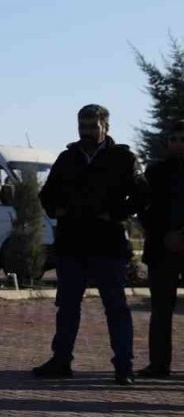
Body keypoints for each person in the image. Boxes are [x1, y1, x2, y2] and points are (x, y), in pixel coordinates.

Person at [33, 105, 142, 385]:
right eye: (82, 126)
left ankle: (123, 366)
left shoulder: (123, 158)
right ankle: (61, 360)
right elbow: (46, 194)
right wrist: (57, 211)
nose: (87, 132)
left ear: (105, 125)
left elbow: (142, 195)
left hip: (108, 244)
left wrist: (116, 214)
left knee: (115, 306)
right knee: (67, 306)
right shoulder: (68, 158)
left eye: (93, 126)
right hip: (72, 244)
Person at [138, 119, 184, 378]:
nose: (178, 144)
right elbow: (144, 209)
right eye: (174, 139)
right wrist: (164, 234)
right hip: (161, 248)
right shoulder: (155, 172)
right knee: (161, 311)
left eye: (182, 139)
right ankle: (159, 364)